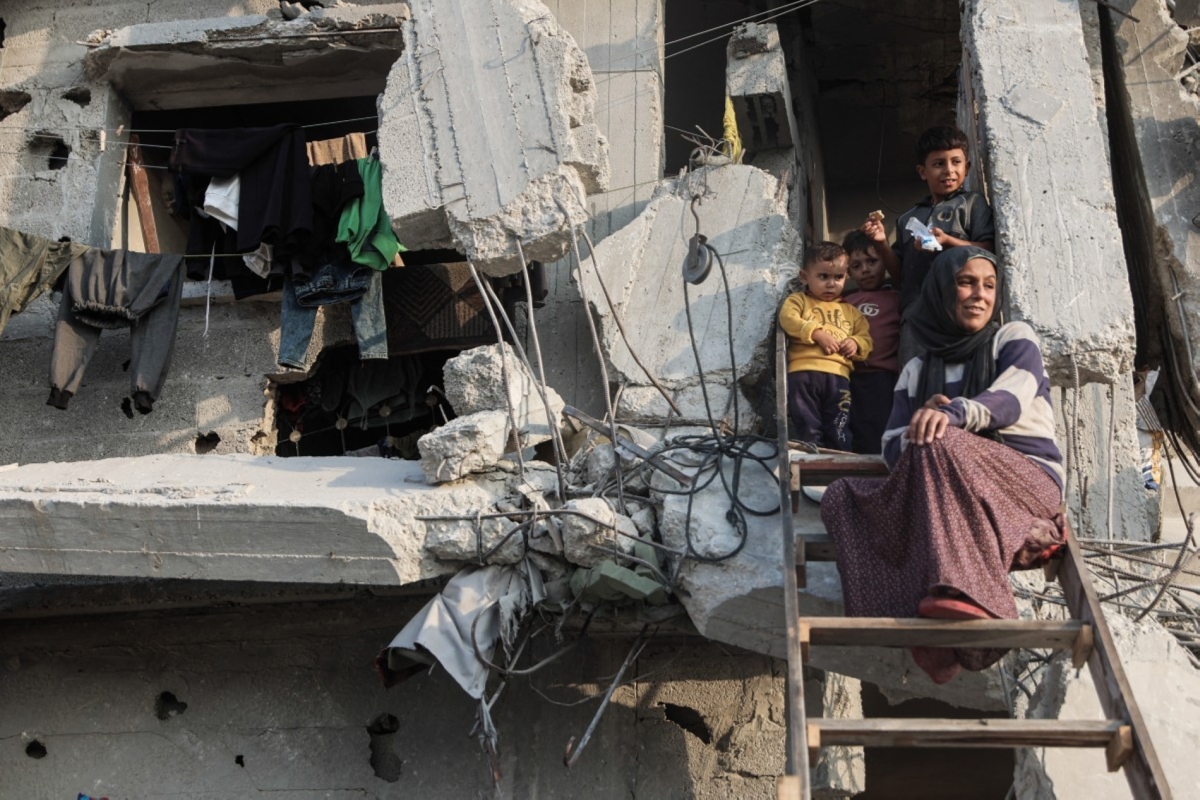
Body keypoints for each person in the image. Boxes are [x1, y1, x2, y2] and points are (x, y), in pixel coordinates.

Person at [819, 247, 1065, 684]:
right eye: (966, 282)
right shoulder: (917, 367)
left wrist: (950, 416)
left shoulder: (1012, 338)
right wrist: (924, 420)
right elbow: (892, 446)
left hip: (1026, 482)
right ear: (940, 290)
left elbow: (1008, 402)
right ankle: (919, 625)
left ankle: (980, 603)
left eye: (989, 286)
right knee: (842, 497)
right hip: (945, 480)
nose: (979, 295)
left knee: (940, 440)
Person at [860, 126, 995, 365]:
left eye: (956, 162)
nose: (949, 170)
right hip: (916, 313)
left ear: (968, 167)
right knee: (915, 381)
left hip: (958, 307)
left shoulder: (972, 204)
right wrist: (881, 242)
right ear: (923, 172)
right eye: (939, 164)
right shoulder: (906, 219)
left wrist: (947, 242)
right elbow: (900, 275)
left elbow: (988, 251)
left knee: (959, 379)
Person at [778, 241, 873, 450]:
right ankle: (812, 451)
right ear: (805, 277)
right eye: (823, 277)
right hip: (803, 373)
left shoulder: (851, 312)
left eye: (838, 277)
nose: (831, 284)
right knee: (807, 420)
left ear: (846, 277)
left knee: (839, 421)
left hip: (838, 376)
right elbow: (787, 318)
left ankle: (839, 455)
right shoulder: (798, 301)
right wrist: (817, 333)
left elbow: (866, 339)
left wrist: (855, 343)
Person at [841, 231, 901, 455]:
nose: (865, 269)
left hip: (883, 379)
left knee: (880, 433)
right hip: (849, 377)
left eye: (872, 261)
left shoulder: (897, 297)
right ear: (848, 272)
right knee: (853, 432)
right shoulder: (843, 302)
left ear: (885, 261)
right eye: (856, 266)